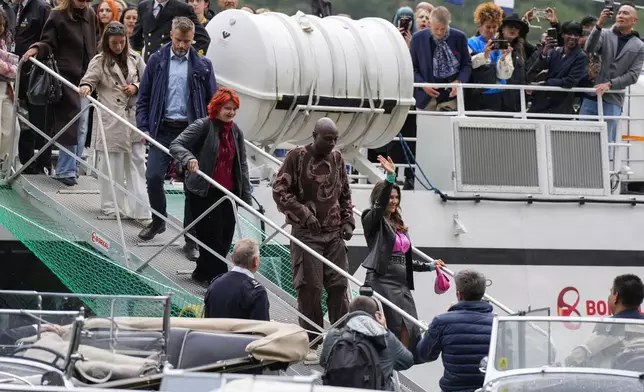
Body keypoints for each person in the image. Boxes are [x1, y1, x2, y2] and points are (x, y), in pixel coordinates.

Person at [272, 117, 354, 362]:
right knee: (310, 288)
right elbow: (279, 190)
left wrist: (348, 220)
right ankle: (313, 342)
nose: (331, 144)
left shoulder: (338, 159)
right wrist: (303, 213)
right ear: (314, 135)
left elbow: (345, 192)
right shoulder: (296, 157)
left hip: (334, 234)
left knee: (339, 286)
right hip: (307, 234)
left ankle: (341, 339)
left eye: (335, 140)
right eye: (327, 139)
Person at [136, 17, 216, 258]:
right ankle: (158, 220)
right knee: (153, 176)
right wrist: (144, 127)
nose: (182, 45)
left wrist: (212, 132)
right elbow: (144, 98)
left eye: (187, 41)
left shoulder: (204, 65)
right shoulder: (156, 60)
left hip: (191, 132)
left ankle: (190, 239)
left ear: (193, 40)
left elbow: (213, 101)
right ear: (171, 35)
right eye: (179, 40)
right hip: (162, 128)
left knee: (192, 186)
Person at [362, 155, 444, 353]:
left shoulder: (399, 226)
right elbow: (379, 206)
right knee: (390, 328)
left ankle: (401, 362)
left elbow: (406, 261)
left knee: (411, 328)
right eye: (390, 196)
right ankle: (389, 363)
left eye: (397, 197)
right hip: (381, 281)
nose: (394, 200)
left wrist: (431, 266)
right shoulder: (372, 219)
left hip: (401, 285)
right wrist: (390, 178)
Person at [169, 87, 252, 283]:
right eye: (227, 108)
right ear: (217, 107)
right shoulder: (203, 125)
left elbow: (242, 165)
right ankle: (221, 280)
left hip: (227, 192)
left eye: (234, 109)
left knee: (224, 238)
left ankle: (201, 273)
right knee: (211, 237)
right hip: (203, 191)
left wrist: (245, 196)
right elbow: (176, 145)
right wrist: (189, 159)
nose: (231, 113)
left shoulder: (236, 131)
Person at [79, 22, 149, 223]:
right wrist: (85, 87)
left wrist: (135, 86)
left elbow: (148, 80)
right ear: (106, 42)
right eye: (114, 43)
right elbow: (89, 79)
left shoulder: (136, 58)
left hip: (133, 119)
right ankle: (113, 208)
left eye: (121, 42)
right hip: (112, 120)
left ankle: (141, 211)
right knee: (113, 166)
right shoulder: (99, 61)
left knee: (137, 166)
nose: (118, 46)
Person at [23, 0, 96, 187]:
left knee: (82, 126)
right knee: (70, 124)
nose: (85, 3)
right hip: (64, 77)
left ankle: (72, 168)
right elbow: (48, 42)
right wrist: (36, 48)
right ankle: (66, 170)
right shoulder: (57, 15)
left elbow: (94, 44)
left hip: (85, 78)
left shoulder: (90, 15)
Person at [416, 269, 494, 392]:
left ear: (459, 294)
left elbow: (424, 355)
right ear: (482, 293)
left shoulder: (442, 321)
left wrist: (436, 324)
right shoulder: (499, 322)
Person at [320, 295, 413, 391]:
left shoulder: (333, 336)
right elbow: (408, 361)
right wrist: (384, 329)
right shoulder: (387, 339)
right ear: (377, 315)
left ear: (349, 313)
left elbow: (323, 362)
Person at [582, 2, 644, 145]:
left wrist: (610, 84)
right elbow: (589, 48)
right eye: (619, 13)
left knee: (606, 142)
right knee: (582, 139)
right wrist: (599, 24)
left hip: (613, 99)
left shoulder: (639, 46)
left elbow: (633, 75)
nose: (621, 15)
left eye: (626, 13)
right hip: (592, 94)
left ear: (634, 20)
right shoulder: (604, 33)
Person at [565, 274, 644, 367]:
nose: (609, 297)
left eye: (611, 293)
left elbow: (580, 354)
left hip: (618, 380)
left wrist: (569, 361)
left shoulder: (610, 327)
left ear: (616, 297)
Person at [410, 6, 471, 112]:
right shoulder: (417, 38)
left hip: (451, 96)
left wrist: (459, 81)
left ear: (448, 24)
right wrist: (422, 84)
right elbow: (411, 67)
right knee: (425, 128)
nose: (439, 32)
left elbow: (467, 64)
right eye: (436, 28)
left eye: (443, 29)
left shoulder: (459, 37)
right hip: (425, 98)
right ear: (430, 23)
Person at [14, 0, 51, 175]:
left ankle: (43, 164)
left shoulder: (42, 7)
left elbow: (49, 39)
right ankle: (26, 162)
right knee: (22, 118)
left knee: (39, 120)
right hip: (16, 72)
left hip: (36, 75)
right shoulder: (13, 7)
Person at [527, 21, 588, 114]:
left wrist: (545, 83)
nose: (572, 37)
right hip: (541, 103)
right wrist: (544, 52)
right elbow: (535, 70)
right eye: (569, 34)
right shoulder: (555, 51)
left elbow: (570, 81)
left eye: (576, 35)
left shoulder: (581, 56)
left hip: (560, 106)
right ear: (563, 35)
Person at [203, 238, 269, 320]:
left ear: (232, 258)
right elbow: (262, 329)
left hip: (212, 332)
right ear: (255, 261)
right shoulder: (257, 292)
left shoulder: (215, 284)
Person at [466, 3, 513, 112]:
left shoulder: (503, 45)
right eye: (488, 27)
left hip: (498, 95)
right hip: (477, 95)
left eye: (494, 27)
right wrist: (485, 55)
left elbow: (505, 75)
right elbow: (468, 65)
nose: (491, 30)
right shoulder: (470, 43)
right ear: (480, 25)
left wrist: (502, 59)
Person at [130, 0, 209, 62]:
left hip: (172, 65)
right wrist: (137, 60)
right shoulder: (143, 6)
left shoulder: (182, 8)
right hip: (149, 64)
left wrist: (187, 56)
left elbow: (203, 39)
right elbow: (136, 38)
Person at [0, 8, 17, 165]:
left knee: (13, 129)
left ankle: (5, 165)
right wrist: (10, 67)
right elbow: (7, 67)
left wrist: (10, 67)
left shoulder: (5, 42)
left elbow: (14, 66)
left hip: (7, 87)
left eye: (2, 24)